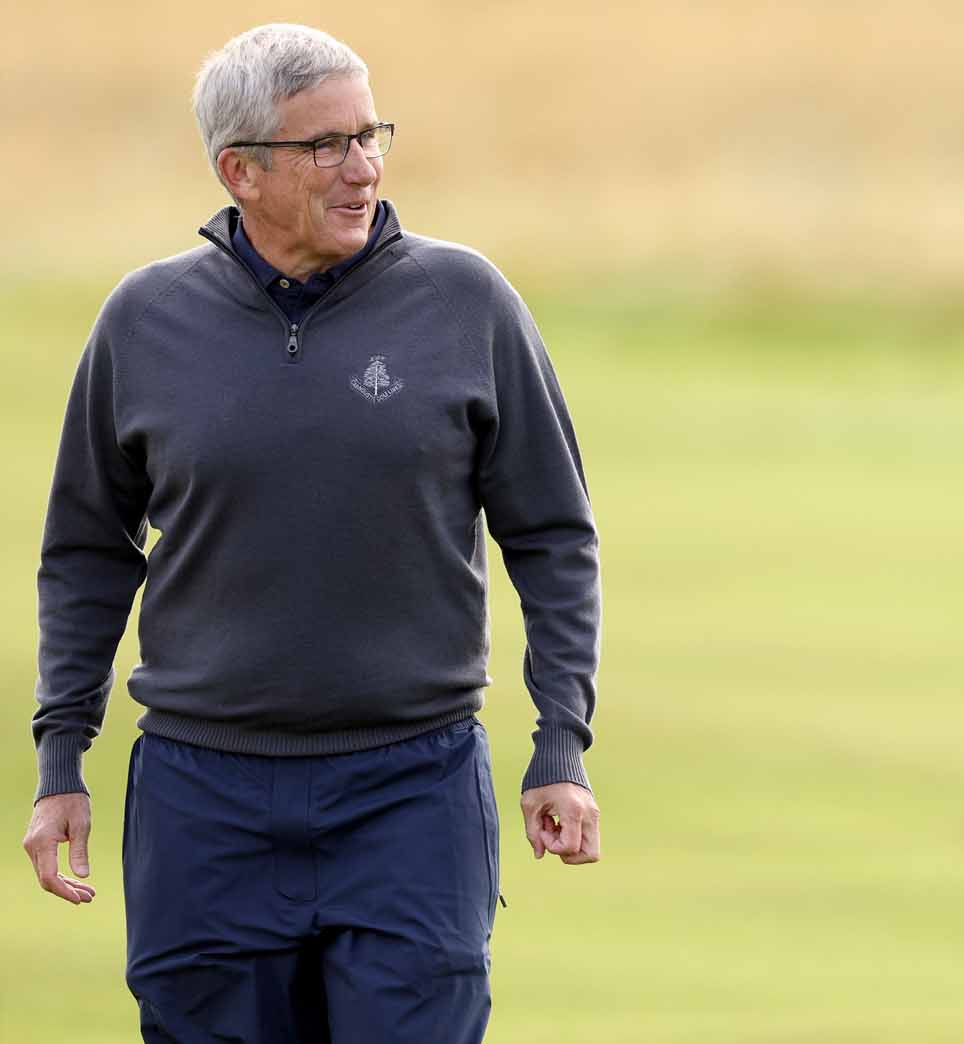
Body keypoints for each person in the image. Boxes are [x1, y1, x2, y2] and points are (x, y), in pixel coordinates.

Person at [20, 23, 602, 1043]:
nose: (363, 166)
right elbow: (85, 551)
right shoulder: (143, 321)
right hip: (202, 801)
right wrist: (61, 758)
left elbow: (552, 536)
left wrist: (561, 743)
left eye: (370, 133)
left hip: (411, 791)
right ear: (238, 169)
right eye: (325, 144)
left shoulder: (467, 303)